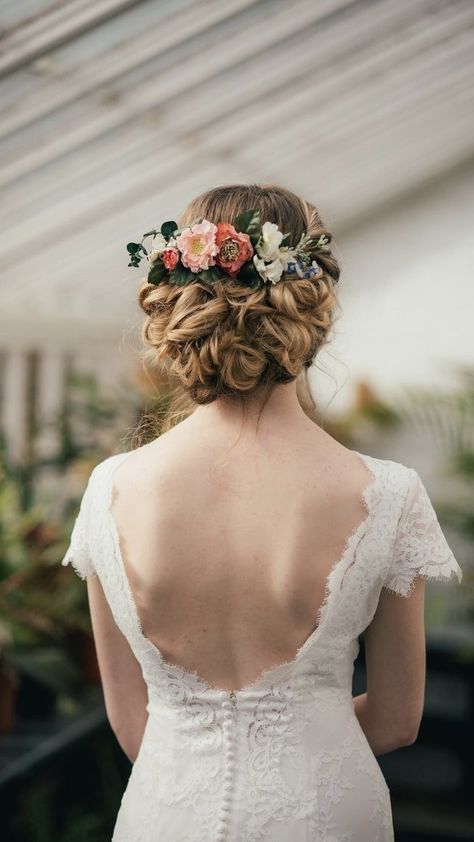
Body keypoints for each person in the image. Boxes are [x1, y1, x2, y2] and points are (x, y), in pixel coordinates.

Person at [61, 183, 462, 842]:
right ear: (312, 307)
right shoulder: (387, 493)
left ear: (179, 298)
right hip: (327, 816)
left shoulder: (111, 490)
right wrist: (305, 747)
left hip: (167, 814)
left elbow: (132, 722)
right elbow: (396, 721)